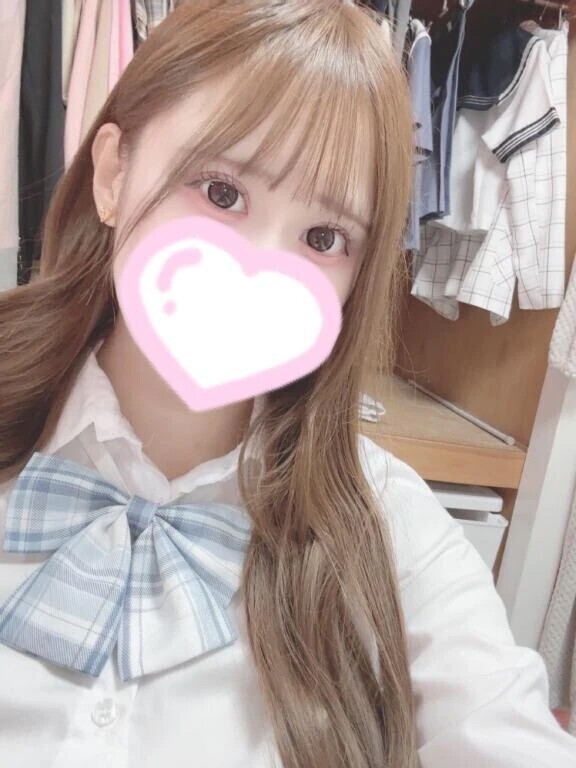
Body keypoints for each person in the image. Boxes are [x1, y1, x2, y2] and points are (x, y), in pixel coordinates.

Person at [0, 2, 574, 766]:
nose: (259, 266)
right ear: (113, 174)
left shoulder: (391, 529)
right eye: (221, 191)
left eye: (324, 237)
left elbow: (504, 731)